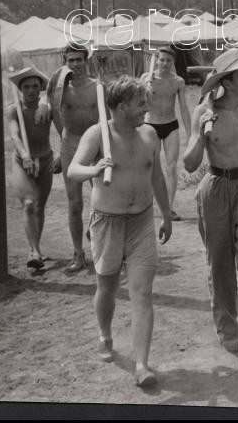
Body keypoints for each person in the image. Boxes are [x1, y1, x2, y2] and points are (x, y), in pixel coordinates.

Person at [67, 76, 171, 387]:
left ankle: (142, 365)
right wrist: (95, 169)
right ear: (122, 106)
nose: (146, 109)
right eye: (141, 104)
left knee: (142, 292)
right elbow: (73, 170)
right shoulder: (98, 134)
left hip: (142, 221)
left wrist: (166, 215)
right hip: (107, 222)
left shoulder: (149, 134)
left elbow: (157, 177)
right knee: (107, 288)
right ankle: (105, 334)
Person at [183, 48, 238, 372]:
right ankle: (228, 330)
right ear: (227, 82)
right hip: (216, 189)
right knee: (220, 268)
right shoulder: (204, 112)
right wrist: (202, 131)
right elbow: (189, 163)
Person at [47, 42, 100, 273]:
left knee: (102, 197)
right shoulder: (60, 90)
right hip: (70, 145)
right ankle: (78, 253)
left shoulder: (97, 86)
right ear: (65, 63)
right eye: (71, 60)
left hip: (95, 144)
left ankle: (96, 232)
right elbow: (52, 112)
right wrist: (62, 148)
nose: (76, 64)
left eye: (79, 60)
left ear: (86, 61)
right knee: (75, 203)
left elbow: (106, 119)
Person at [7, 65, 58, 270]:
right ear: (20, 89)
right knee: (28, 203)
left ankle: (36, 248)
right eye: (26, 87)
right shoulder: (14, 109)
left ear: (40, 88)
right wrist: (25, 155)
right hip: (22, 161)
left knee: (39, 206)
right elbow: (14, 135)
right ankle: (34, 251)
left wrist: (45, 102)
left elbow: (63, 129)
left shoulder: (48, 108)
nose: (31, 90)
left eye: (35, 86)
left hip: (45, 160)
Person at [142, 46, 191, 222]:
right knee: (150, 167)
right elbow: (139, 104)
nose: (164, 63)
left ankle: (168, 208)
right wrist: (146, 87)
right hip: (150, 126)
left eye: (168, 60)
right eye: (161, 60)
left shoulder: (178, 81)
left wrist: (190, 131)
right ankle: (147, 206)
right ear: (156, 60)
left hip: (170, 125)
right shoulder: (146, 78)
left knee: (171, 167)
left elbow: (183, 107)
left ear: (173, 62)